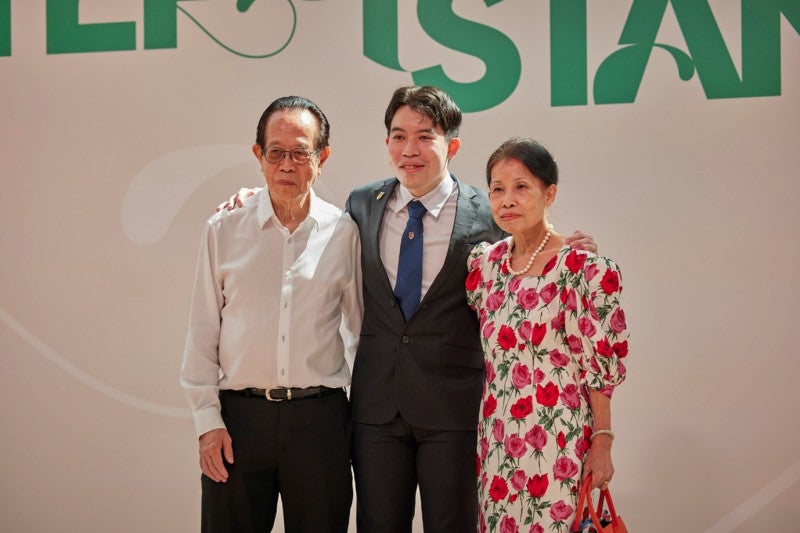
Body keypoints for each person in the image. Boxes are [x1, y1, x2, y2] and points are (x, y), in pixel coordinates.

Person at [218, 85, 596, 532]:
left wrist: (568, 249)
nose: (409, 150)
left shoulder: (489, 213)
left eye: (425, 137)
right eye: (399, 136)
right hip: (376, 412)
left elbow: (528, 248)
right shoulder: (361, 206)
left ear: (451, 145)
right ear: (387, 144)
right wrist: (250, 197)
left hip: (453, 411)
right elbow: (299, 206)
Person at [180, 96, 362, 533]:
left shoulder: (344, 232)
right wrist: (207, 423)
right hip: (239, 424)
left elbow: (360, 332)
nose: (287, 164)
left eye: (300, 152)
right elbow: (203, 331)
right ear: (258, 156)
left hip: (321, 422)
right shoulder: (223, 229)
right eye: (276, 152)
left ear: (323, 158)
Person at [465, 137, 629, 532]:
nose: (508, 200)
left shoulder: (583, 269)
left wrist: (602, 441)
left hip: (561, 438)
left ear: (549, 193)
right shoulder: (483, 267)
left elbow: (600, 368)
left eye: (521, 187)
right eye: (498, 189)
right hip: (499, 439)